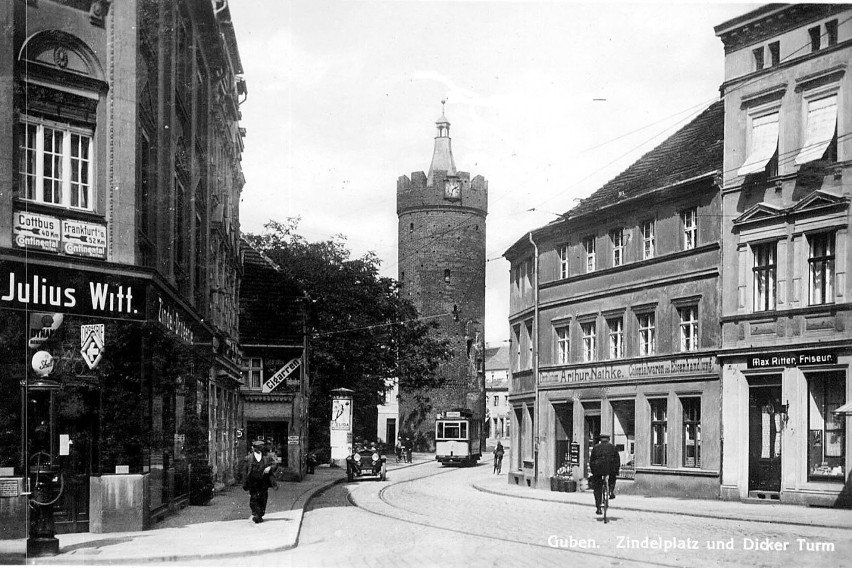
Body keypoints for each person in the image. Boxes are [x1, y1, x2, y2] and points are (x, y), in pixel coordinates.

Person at [243, 440, 278, 523]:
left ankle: (260, 513)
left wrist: (269, 468)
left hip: (263, 481)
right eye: (258, 448)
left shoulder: (267, 456)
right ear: (254, 448)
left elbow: (275, 464)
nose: (260, 449)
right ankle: (256, 514)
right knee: (253, 498)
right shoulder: (248, 458)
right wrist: (244, 483)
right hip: (253, 481)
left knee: (263, 497)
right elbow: (245, 471)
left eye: (261, 447)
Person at [589, 433, 620, 515]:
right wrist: (616, 471)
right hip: (610, 469)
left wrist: (593, 471)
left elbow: (591, 461)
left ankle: (598, 507)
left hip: (598, 470)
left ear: (600, 440)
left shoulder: (595, 448)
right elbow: (617, 460)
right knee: (612, 478)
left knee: (597, 488)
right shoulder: (613, 447)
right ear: (608, 439)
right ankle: (611, 492)